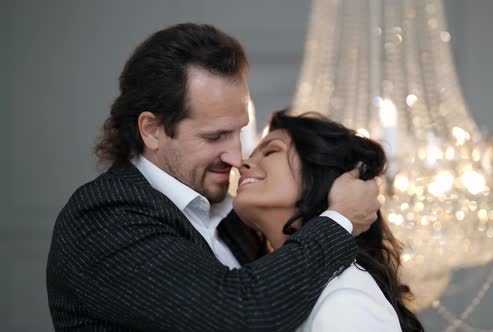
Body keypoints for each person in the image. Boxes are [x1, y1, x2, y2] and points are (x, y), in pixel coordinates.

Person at [46, 23, 381, 331]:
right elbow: (239, 316)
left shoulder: (230, 219)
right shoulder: (103, 216)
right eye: (214, 136)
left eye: (239, 132)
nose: (237, 157)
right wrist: (339, 220)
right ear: (152, 130)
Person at [232, 110, 425, 332]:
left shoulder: (346, 298)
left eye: (270, 152)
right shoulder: (288, 296)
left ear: (319, 172)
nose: (243, 163)